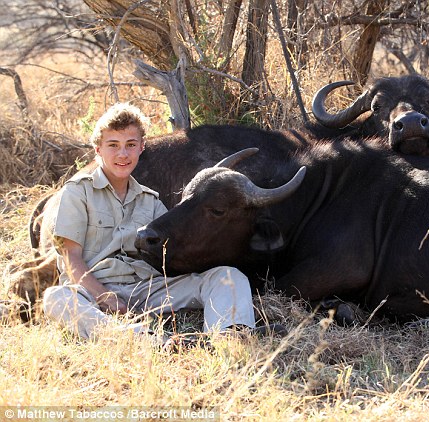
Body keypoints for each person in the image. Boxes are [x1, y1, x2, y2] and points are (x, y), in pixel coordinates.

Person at [42, 103, 270, 348]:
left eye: (131, 145)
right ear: (98, 149)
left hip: (150, 288)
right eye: (113, 145)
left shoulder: (151, 199)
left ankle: (229, 337)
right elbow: (69, 257)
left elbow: (170, 250)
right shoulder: (77, 193)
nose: (123, 154)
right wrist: (104, 296)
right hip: (95, 289)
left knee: (228, 276)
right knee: (56, 298)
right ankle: (136, 339)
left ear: (142, 148)